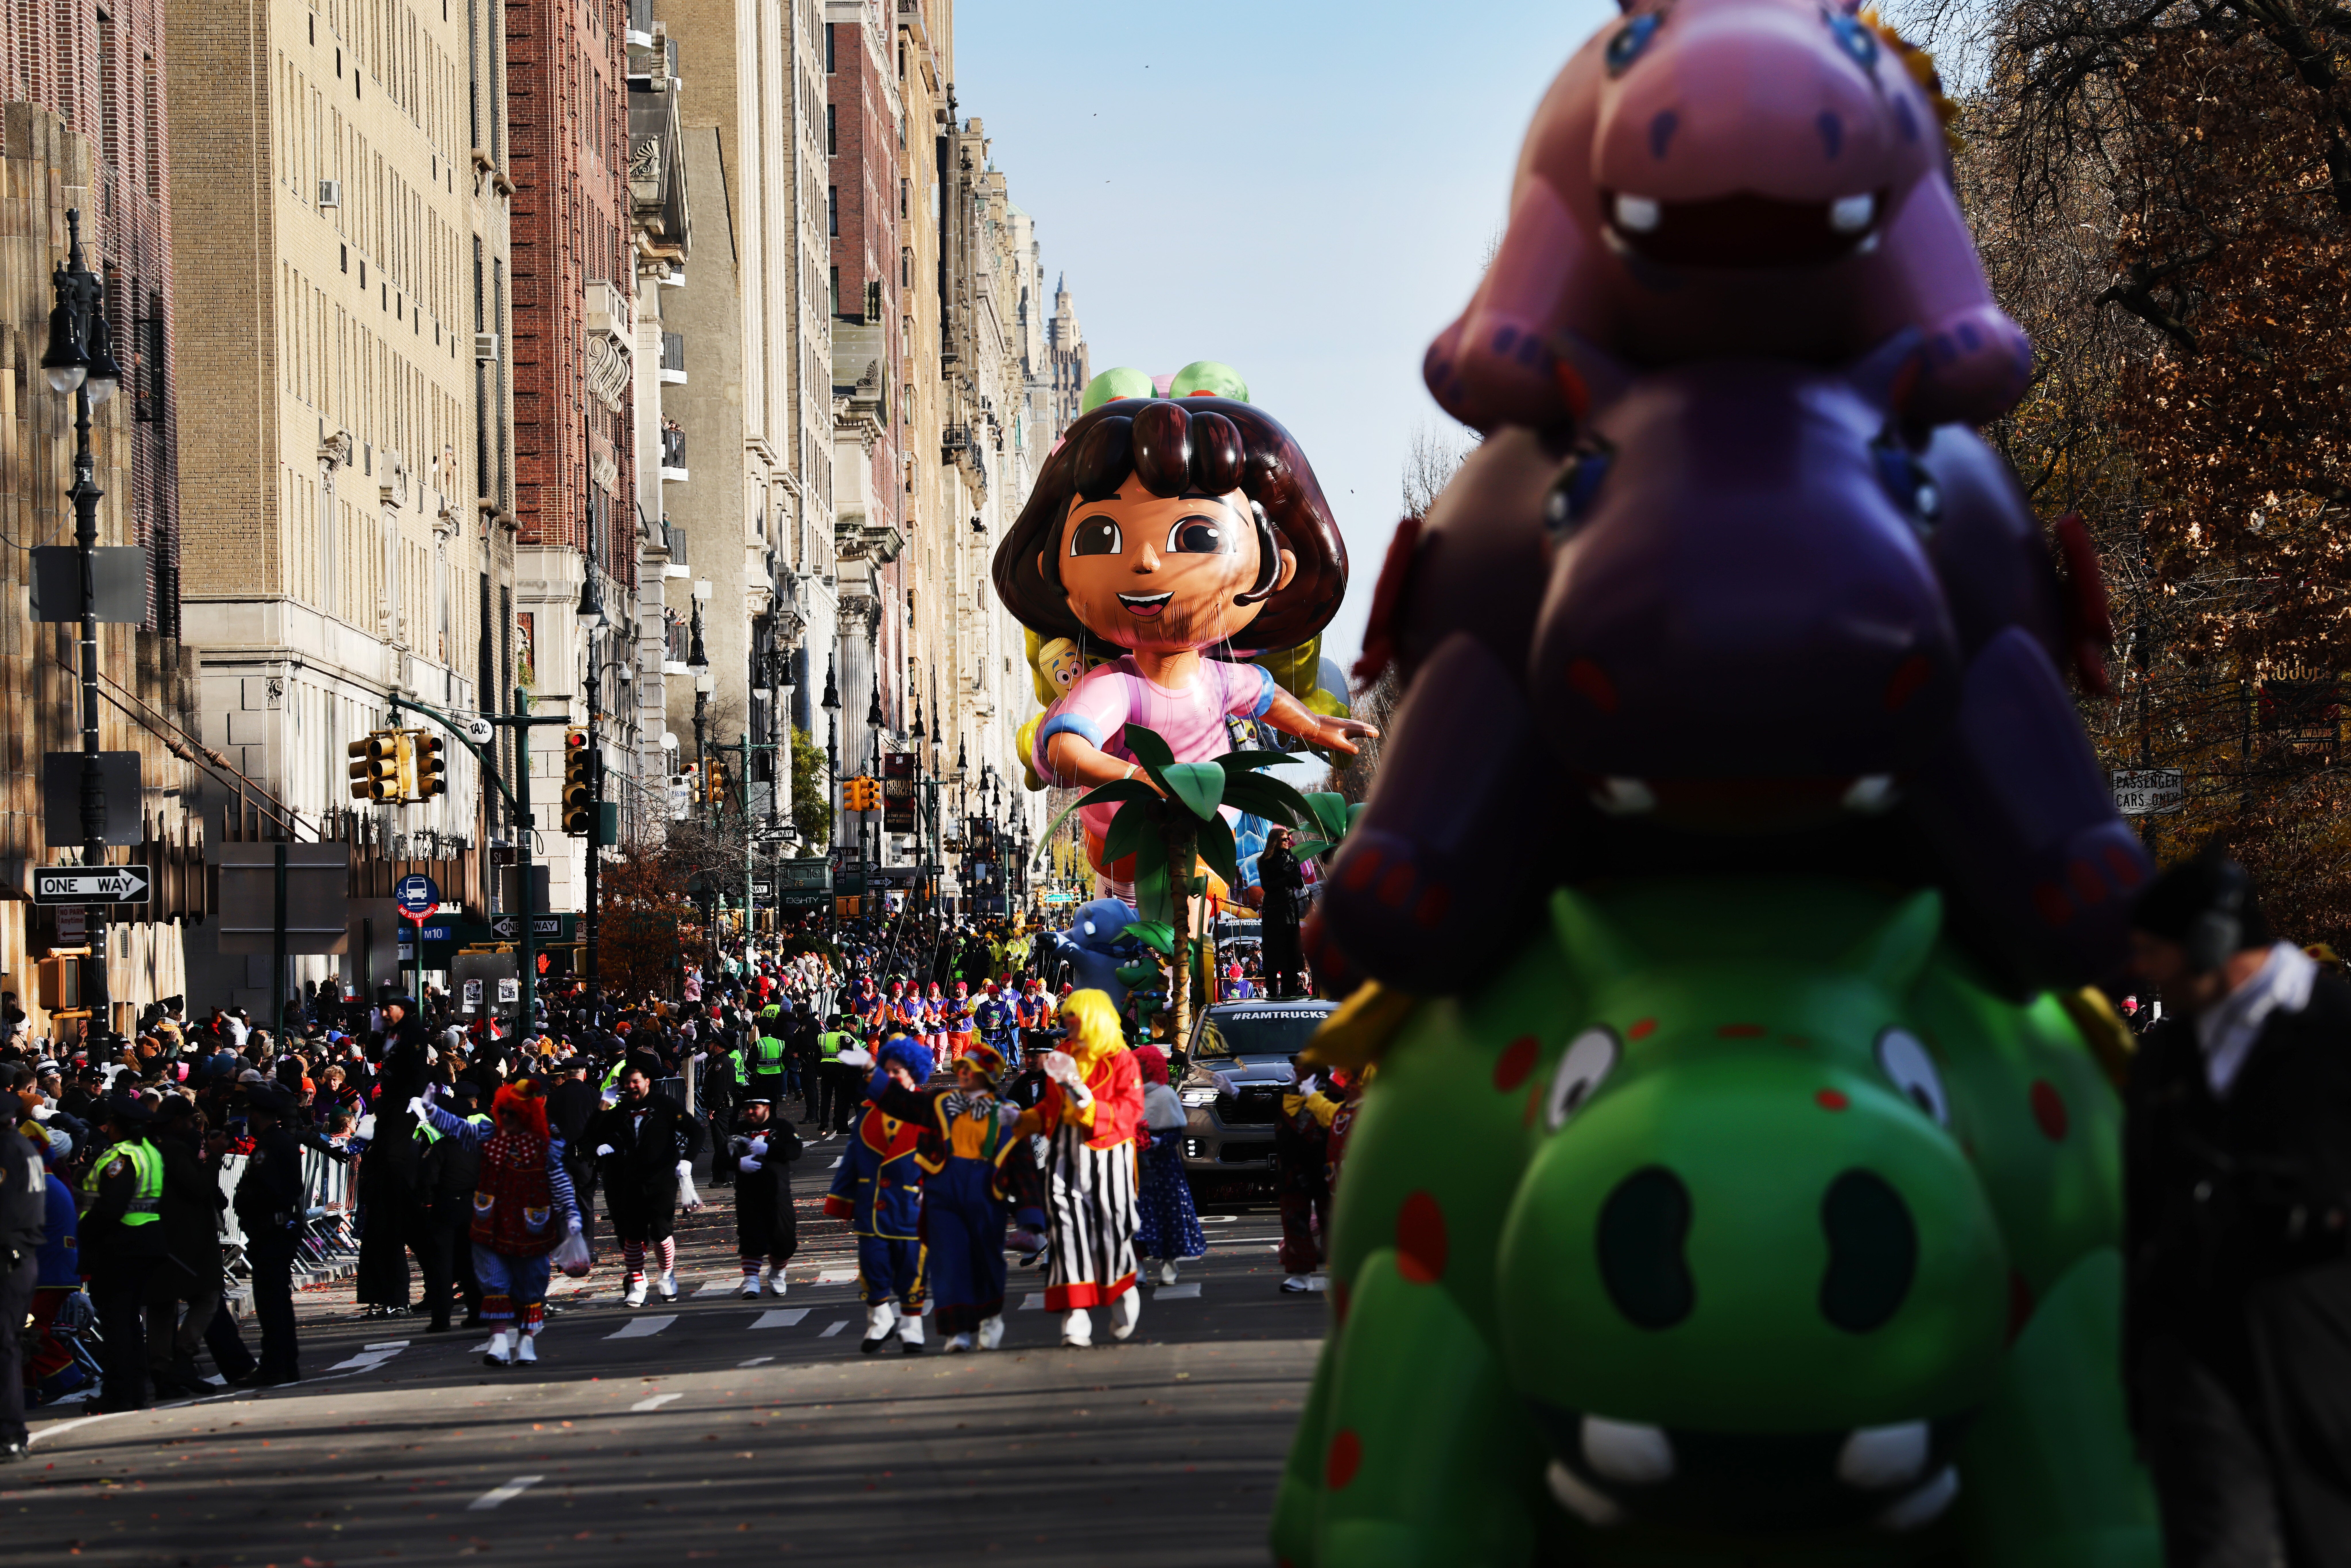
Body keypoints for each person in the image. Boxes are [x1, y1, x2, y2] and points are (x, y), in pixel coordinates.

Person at [2125, 852, 2351, 1568]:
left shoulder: (2335, 1030)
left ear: (2211, 942)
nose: (2146, 974)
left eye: (2154, 955)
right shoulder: (2163, 1058)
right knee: (2220, 1542)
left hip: (2320, 1346)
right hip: (2193, 1354)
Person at [413, 1079, 582, 1367]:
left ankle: (516, 1338)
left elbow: (560, 1183)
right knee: (486, 1275)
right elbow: (463, 1132)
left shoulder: (542, 1148)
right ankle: (493, 1331)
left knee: (520, 1284)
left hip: (500, 1220)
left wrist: (570, 1216)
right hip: (487, 1217)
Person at [1011, 989, 1145, 1348]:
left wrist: (1086, 1103)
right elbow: (1050, 1109)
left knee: (1110, 1234)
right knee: (1066, 1237)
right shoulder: (1061, 1056)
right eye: (1065, 1017)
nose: (1067, 1024)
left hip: (1108, 1155)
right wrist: (1022, 1120)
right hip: (1064, 1156)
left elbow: (1130, 1113)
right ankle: (1076, 1319)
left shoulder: (1122, 1059)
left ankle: (1121, 1294)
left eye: (1075, 1017)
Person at [877, 1040, 1015, 1352]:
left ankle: (990, 1317)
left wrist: (1032, 1219)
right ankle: (957, 1330)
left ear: (987, 1075)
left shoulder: (1007, 1112)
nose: (964, 1074)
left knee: (986, 1262)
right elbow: (902, 1103)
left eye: (972, 1070)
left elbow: (1021, 1164)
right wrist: (871, 1072)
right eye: (961, 1068)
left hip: (985, 1196)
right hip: (944, 1194)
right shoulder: (941, 1102)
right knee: (948, 1263)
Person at [823, 1033, 934, 1353]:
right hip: (872, 1205)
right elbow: (853, 1158)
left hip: (912, 1208)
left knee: (913, 1269)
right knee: (873, 1265)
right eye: (886, 1071)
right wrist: (841, 1201)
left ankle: (912, 1325)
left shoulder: (928, 1110)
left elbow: (942, 1158)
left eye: (896, 1071)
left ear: (913, 1073)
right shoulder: (868, 1112)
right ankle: (880, 1318)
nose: (891, 1076)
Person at [78, 1095, 169, 1410]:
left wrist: (85, 1233)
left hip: (119, 1246)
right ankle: (133, 1389)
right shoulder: (150, 1153)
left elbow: (110, 1206)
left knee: (116, 1323)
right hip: (146, 1241)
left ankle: (119, 1393)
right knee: (129, 1321)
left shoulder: (122, 1156)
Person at [588, 1066, 703, 1306]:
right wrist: (604, 1104)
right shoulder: (620, 1111)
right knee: (632, 1235)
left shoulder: (664, 1105)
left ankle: (666, 1276)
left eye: (635, 1081)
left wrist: (687, 1160)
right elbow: (592, 1134)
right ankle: (638, 1283)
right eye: (627, 1083)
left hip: (662, 1179)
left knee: (661, 1233)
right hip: (630, 1179)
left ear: (647, 1082)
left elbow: (696, 1132)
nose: (631, 1086)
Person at [234, 1085, 306, 1385]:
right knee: (278, 1300)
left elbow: (265, 1191)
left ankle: (275, 1363)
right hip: (278, 1230)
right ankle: (285, 1361)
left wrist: (244, 1199)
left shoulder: (268, 1147)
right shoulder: (282, 1142)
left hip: (271, 1232)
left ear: (256, 1114)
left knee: (271, 1301)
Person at [418, 1080, 489, 1331]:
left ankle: (441, 1318)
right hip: (473, 1207)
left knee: (442, 1266)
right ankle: (477, 1313)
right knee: (471, 1263)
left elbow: (428, 1179)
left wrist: (427, 1201)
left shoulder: (441, 1148)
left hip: (446, 1207)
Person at [1132, 1045, 1205, 1286]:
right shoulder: (1129, 1095)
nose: (1141, 1070)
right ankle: (1138, 1266)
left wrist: (1155, 1142)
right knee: (1137, 1216)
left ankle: (1169, 1263)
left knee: (1168, 1215)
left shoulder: (1166, 1095)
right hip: (1136, 1168)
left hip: (1164, 1167)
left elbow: (1175, 1134)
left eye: (1145, 1065)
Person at [726, 1098, 800, 1297]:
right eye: (747, 1108)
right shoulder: (738, 1129)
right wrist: (739, 1164)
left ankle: (777, 1273)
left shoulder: (782, 1126)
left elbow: (795, 1151)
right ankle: (751, 1280)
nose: (750, 1112)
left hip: (778, 1193)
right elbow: (724, 1157)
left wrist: (769, 1150)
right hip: (748, 1193)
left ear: (766, 1108)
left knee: (785, 1241)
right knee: (751, 1238)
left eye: (754, 1108)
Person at [0, 1119, 42, 1462]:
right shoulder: (23, 1149)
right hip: (21, 1255)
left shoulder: (8, 1152)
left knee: (4, 1347)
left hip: (9, 1257)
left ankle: (11, 1433)